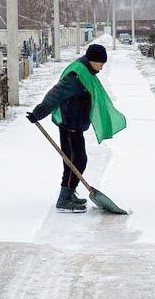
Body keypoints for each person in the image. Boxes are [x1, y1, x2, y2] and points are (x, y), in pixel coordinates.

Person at [26, 43, 126, 212]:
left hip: (75, 122)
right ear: (93, 60)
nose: (101, 68)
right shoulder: (76, 76)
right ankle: (64, 198)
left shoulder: (85, 71)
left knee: (73, 161)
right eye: (101, 64)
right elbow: (55, 94)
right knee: (77, 160)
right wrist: (38, 112)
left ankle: (68, 193)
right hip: (70, 123)